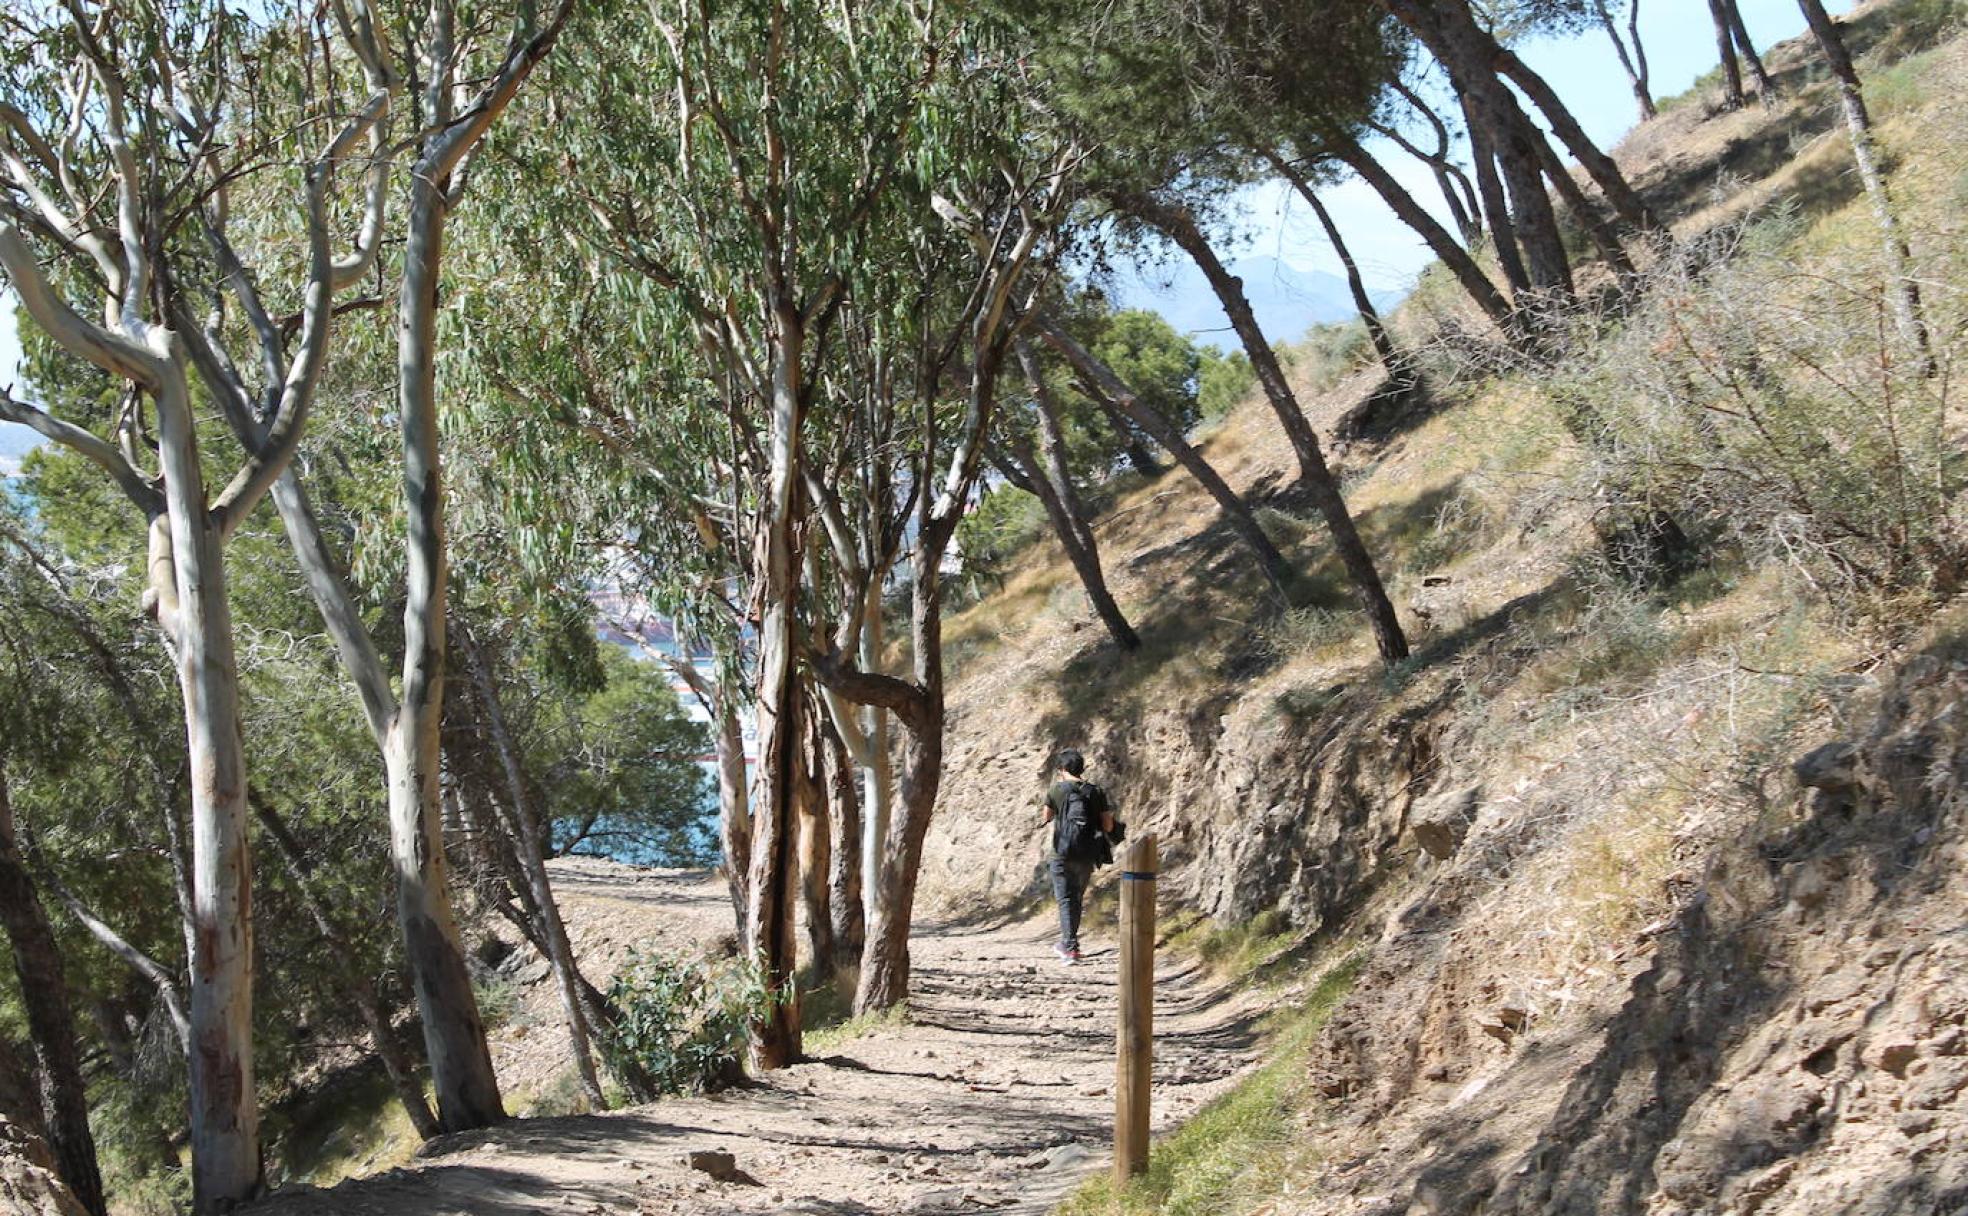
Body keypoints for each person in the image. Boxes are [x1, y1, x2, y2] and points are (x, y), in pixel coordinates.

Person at [1040, 748, 1114, 965]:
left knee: (1065, 899)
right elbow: (1108, 824)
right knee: (1077, 899)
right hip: (1086, 854)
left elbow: (1046, 817)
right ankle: (1070, 944)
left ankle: (1070, 947)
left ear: (1062, 769)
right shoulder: (1096, 791)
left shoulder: (1056, 790)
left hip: (1061, 853)